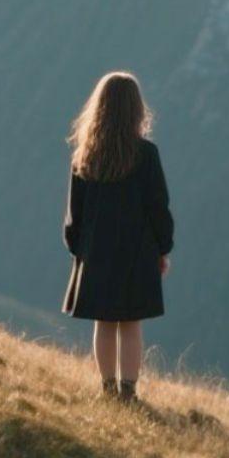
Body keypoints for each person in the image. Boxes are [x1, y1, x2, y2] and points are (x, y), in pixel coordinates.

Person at [62, 70, 174, 403]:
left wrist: (79, 250)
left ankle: (107, 387)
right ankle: (129, 392)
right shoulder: (146, 154)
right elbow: (159, 207)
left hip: (96, 252)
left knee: (105, 322)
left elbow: (74, 214)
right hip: (137, 253)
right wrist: (162, 249)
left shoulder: (85, 155)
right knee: (130, 323)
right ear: (136, 110)